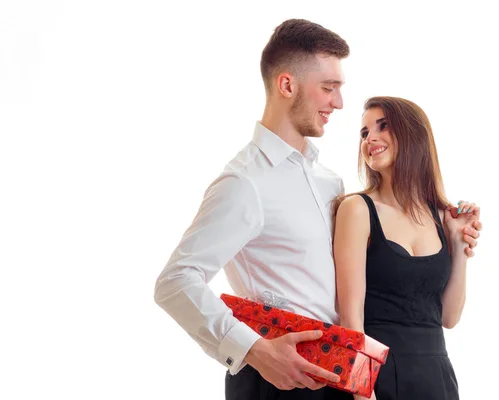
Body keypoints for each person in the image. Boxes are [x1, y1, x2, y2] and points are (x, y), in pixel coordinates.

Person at [154, 19, 482, 400]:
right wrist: (253, 350)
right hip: (279, 376)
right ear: (287, 85)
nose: (338, 103)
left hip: (335, 370)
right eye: (328, 88)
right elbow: (175, 281)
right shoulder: (245, 182)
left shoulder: (329, 182)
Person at [333, 96, 481, 400]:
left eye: (382, 126)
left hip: (437, 376)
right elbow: (350, 318)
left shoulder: (441, 215)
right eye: (364, 133)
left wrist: (458, 243)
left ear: (413, 134)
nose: (370, 138)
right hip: (378, 376)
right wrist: (363, 393)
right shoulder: (357, 209)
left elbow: (448, 318)